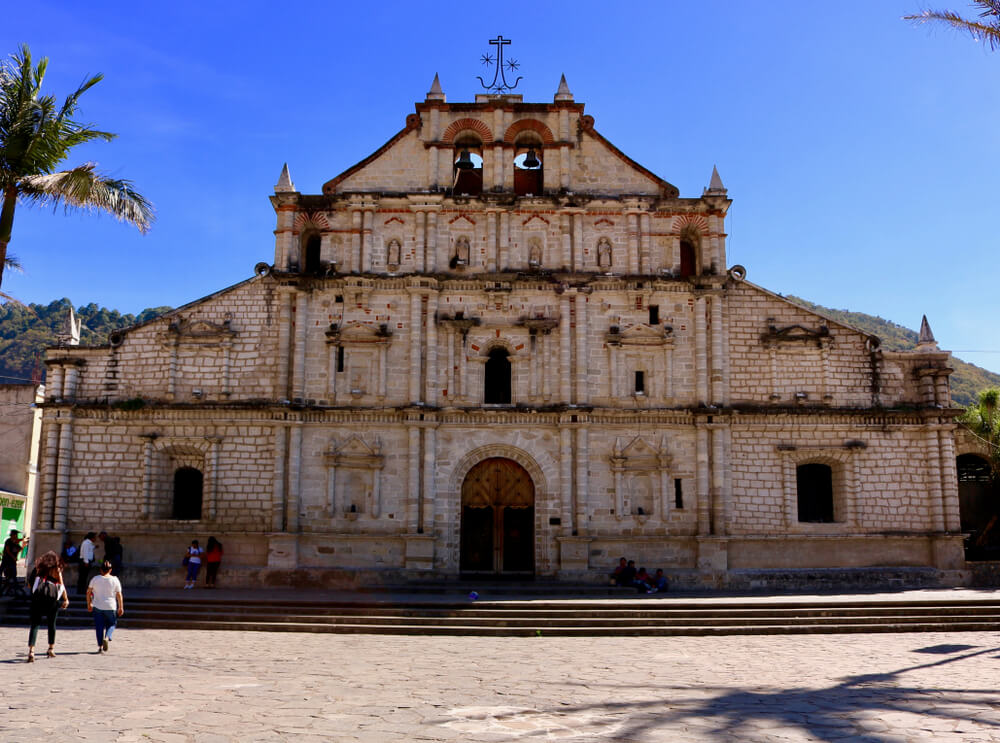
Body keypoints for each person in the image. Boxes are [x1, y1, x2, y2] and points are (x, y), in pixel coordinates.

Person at [26, 551, 69, 662]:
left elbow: (30, 585)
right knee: (51, 624)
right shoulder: (56, 570)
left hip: (37, 600)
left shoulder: (38, 569)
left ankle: (31, 650)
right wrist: (65, 599)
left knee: (35, 624)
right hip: (52, 601)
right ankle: (51, 648)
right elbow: (61, 585)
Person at [87, 560, 124, 653]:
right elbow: (119, 595)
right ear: (110, 570)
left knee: (99, 626)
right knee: (112, 623)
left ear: (101, 570)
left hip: (97, 606)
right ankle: (107, 637)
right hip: (110, 606)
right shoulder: (115, 579)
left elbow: (88, 592)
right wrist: (121, 607)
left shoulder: (95, 579)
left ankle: (100, 646)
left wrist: (89, 603)